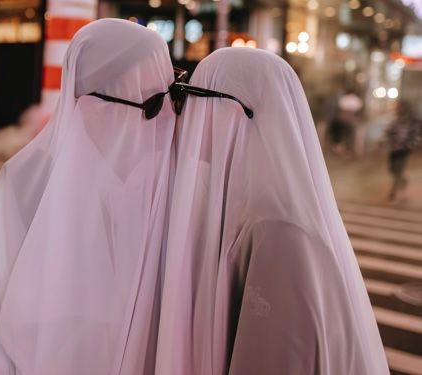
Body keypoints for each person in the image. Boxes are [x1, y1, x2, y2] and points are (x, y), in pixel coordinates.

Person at [0, 19, 178, 374]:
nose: (166, 118)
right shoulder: (23, 186)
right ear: (96, 102)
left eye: (172, 98)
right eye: (152, 102)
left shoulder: (169, 179)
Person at [156, 48, 388, 374]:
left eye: (196, 97)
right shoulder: (242, 202)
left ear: (238, 112)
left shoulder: (280, 230)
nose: (188, 114)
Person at [386, 100, 421, 202]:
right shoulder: (396, 120)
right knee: (392, 169)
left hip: (404, 149)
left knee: (398, 169)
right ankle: (402, 181)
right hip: (393, 149)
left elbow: (417, 134)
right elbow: (389, 132)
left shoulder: (413, 121)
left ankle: (393, 192)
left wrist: (413, 145)